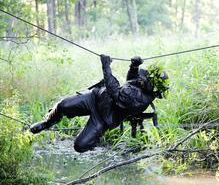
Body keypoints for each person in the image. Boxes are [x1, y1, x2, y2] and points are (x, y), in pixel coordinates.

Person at [30, 55, 169, 153]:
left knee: (80, 146)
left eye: (146, 78)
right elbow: (130, 81)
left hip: (104, 117)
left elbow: (114, 89)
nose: (143, 77)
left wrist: (106, 65)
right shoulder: (145, 83)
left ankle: (95, 139)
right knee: (63, 105)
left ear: (152, 86)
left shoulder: (140, 100)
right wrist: (134, 66)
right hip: (97, 98)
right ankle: (47, 123)